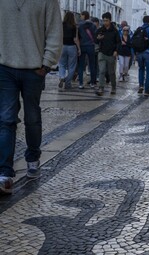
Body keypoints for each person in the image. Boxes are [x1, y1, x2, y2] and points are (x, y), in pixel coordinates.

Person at [0, 0, 62, 194]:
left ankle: (33, 158)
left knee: (32, 118)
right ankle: (4, 173)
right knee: (5, 119)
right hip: (5, 68)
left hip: (35, 69)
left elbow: (54, 31)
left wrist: (47, 64)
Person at [95, 12, 121, 96]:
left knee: (111, 72)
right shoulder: (100, 30)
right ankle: (101, 88)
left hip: (111, 54)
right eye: (103, 20)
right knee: (102, 71)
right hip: (102, 53)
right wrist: (98, 39)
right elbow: (95, 40)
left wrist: (116, 51)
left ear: (110, 20)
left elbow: (118, 42)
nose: (105, 22)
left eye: (106, 21)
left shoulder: (115, 31)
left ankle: (113, 87)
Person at [58, 12, 81, 90]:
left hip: (63, 46)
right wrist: (79, 48)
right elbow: (75, 39)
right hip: (72, 47)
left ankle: (61, 76)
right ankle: (67, 83)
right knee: (72, 66)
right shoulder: (74, 26)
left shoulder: (61, 25)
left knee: (61, 64)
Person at [136, 15, 149, 97]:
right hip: (148, 52)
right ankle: (147, 90)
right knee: (148, 71)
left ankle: (141, 86)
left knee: (141, 69)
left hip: (140, 53)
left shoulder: (139, 29)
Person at [77, 11, 97, 89]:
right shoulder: (93, 25)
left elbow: (78, 36)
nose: (80, 17)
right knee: (92, 65)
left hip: (82, 46)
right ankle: (92, 83)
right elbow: (95, 36)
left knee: (81, 65)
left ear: (84, 16)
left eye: (81, 15)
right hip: (91, 46)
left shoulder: (80, 25)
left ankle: (81, 83)